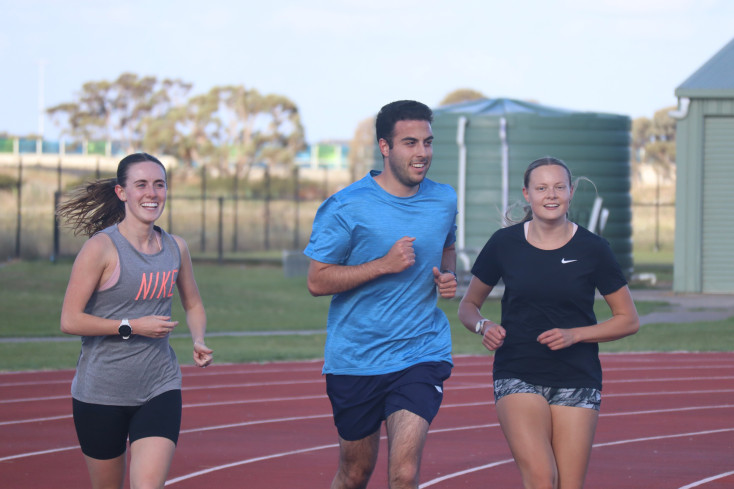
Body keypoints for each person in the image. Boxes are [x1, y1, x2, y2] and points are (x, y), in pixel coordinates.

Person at [458, 156, 639, 489]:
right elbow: (468, 305)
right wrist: (483, 326)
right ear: (527, 194)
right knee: (542, 478)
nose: (551, 195)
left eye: (559, 187)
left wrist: (576, 335)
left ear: (571, 192)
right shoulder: (504, 243)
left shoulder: (594, 249)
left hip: (577, 376)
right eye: (541, 188)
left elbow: (628, 320)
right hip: (518, 370)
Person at [304, 100, 458, 489]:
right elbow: (317, 281)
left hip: (420, 351)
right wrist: (382, 265)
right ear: (385, 147)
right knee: (355, 472)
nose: (422, 153)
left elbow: (447, 248)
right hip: (355, 358)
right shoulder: (346, 206)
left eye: (427, 142)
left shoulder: (444, 200)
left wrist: (449, 276)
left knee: (404, 473)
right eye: (410, 143)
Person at [58, 152, 213, 489]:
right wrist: (131, 325)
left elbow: (194, 303)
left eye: (159, 184)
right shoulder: (101, 249)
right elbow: (69, 320)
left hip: (159, 386)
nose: (152, 193)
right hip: (101, 393)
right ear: (122, 192)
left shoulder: (176, 248)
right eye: (141, 184)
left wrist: (198, 338)